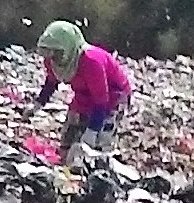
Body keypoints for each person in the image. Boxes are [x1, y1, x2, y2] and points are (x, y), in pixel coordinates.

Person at [31, 19, 132, 153]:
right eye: (49, 52)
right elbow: (51, 81)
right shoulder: (51, 61)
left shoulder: (91, 61)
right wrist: (38, 104)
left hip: (113, 97)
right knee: (68, 142)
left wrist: (93, 130)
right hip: (83, 94)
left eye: (57, 53)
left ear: (69, 47)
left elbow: (102, 99)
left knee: (98, 146)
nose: (53, 57)